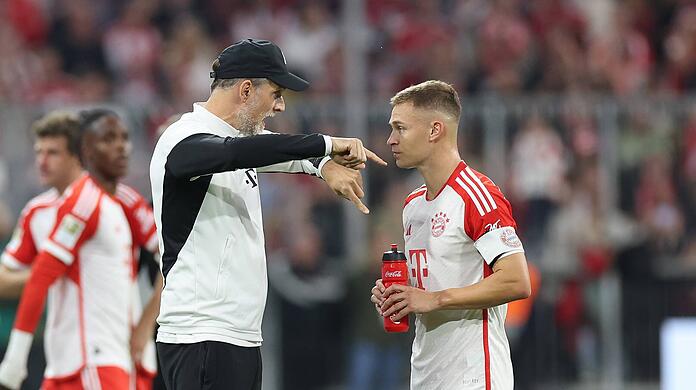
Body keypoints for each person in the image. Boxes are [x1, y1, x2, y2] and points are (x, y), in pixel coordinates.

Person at [150, 38, 386, 389]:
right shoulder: (182, 139)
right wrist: (327, 145)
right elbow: (238, 153)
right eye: (275, 93)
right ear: (246, 90)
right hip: (201, 335)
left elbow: (261, 151)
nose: (279, 106)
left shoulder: (230, 143)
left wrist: (322, 166)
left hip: (235, 336)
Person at [370, 80, 532, 390]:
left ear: (434, 131)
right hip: (426, 375)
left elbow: (516, 280)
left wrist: (433, 299)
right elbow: (431, 286)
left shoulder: (477, 195)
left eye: (400, 128)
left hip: (474, 376)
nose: (390, 140)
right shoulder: (412, 205)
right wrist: (399, 295)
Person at [0, 109, 160, 390]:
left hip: (108, 352)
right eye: (39, 152)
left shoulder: (122, 202)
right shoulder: (40, 210)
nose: (42, 161)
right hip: (72, 358)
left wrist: (146, 325)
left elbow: (172, 263)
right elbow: (28, 277)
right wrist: (52, 271)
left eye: (53, 153)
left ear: (76, 155)